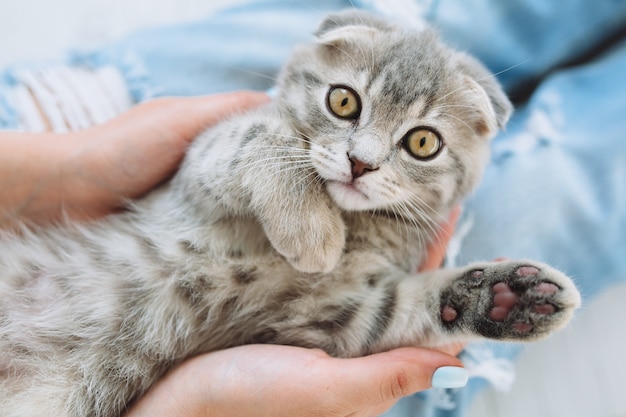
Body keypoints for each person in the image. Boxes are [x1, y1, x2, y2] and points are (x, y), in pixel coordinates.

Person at [0, 91, 466, 417]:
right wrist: (195, 407)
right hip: (256, 331)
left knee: (374, 58)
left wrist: (56, 174)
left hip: (48, 117)